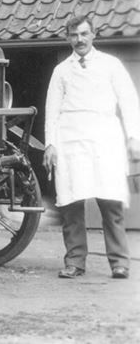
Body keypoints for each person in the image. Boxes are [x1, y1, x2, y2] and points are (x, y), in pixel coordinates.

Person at [44, 14, 140, 279]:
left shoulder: (111, 65)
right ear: (67, 38)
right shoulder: (61, 70)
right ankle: (75, 261)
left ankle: (119, 262)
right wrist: (50, 144)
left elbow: (129, 102)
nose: (80, 40)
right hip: (70, 139)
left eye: (84, 34)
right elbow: (51, 110)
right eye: (74, 35)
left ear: (93, 35)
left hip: (104, 138)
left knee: (110, 202)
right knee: (71, 203)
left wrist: (133, 138)